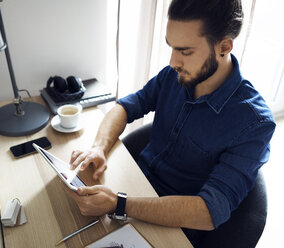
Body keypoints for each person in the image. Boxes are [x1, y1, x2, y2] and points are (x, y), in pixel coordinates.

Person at [68, 0, 275, 243]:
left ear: (224, 46)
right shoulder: (175, 75)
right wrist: (98, 148)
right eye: (171, 47)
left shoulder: (254, 122)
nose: (172, 62)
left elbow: (209, 211)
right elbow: (125, 106)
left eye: (185, 51)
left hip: (173, 226)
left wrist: (120, 204)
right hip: (132, 189)